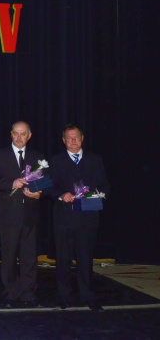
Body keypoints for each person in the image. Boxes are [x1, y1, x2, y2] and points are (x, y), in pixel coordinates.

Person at [48, 124, 110, 311]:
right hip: (64, 218)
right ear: (63, 140)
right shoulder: (55, 160)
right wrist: (61, 195)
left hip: (88, 218)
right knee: (63, 259)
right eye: (69, 138)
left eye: (76, 137)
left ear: (82, 139)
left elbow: (105, 185)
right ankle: (64, 296)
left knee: (85, 259)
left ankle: (88, 295)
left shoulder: (95, 160)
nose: (73, 141)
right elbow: (49, 186)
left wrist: (98, 196)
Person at [0, 121, 45, 307]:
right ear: (11, 134)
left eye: (23, 134)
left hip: (30, 214)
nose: (19, 137)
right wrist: (11, 184)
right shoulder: (0, 155)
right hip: (8, 215)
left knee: (29, 256)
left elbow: (45, 180)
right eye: (16, 133)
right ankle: (11, 290)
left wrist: (39, 193)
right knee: (9, 255)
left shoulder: (37, 156)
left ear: (29, 136)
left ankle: (29, 291)